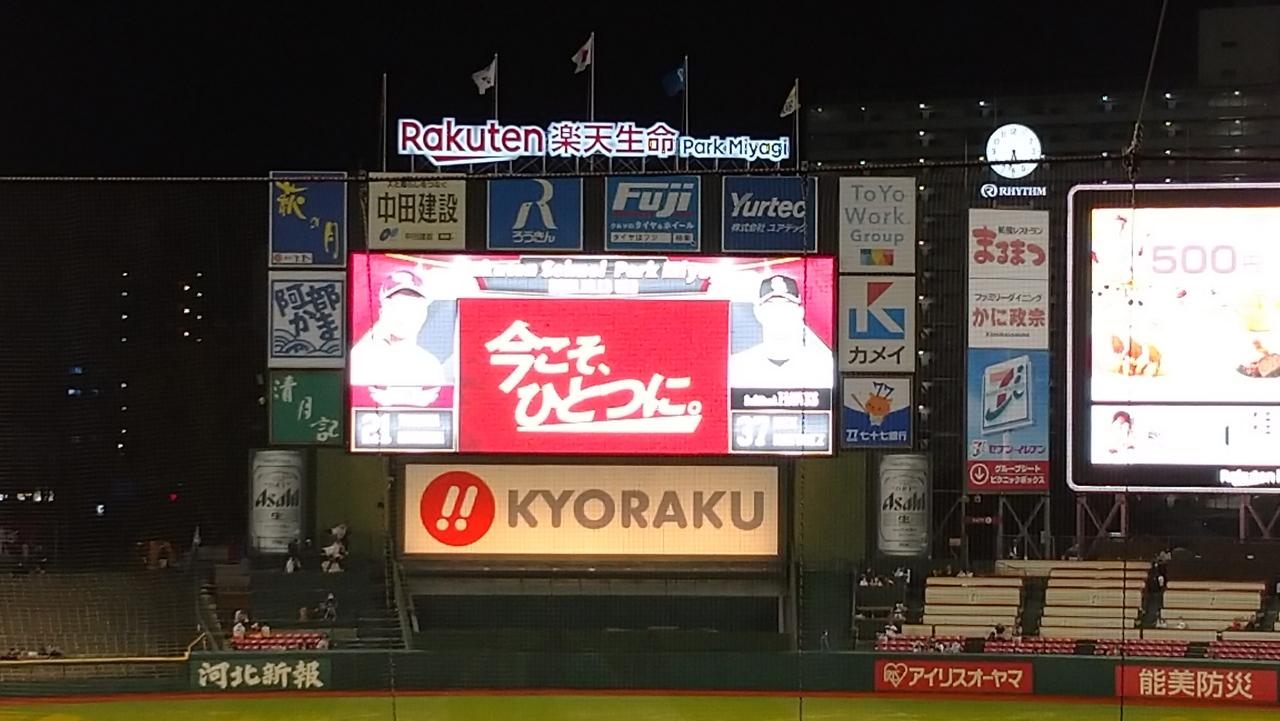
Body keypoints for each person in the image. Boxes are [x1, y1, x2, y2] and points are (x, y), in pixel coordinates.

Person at [349, 267, 452, 394]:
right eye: (397, 305)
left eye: (413, 307)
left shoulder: (430, 366)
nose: (404, 314)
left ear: (423, 315)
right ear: (382, 311)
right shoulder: (360, 358)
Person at [728, 274, 833, 389]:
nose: (778, 312)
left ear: (800, 312)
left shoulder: (824, 366)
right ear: (758, 312)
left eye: (787, 304)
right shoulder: (736, 367)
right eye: (770, 305)